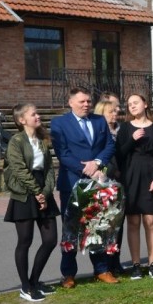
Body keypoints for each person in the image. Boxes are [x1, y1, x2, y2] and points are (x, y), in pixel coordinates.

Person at [50, 86, 118, 287]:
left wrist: (97, 163)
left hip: (97, 181)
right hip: (72, 183)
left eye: (88, 101)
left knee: (98, 225)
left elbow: (109, 145)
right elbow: (62, 153)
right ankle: (69, 274)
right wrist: (86, 169)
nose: (87, 104)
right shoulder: (59, 123)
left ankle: (102, 269)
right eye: (82, 101)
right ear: (71, 103)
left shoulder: (99, 120)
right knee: (71, 229)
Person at [3, 103, 59, 302]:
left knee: (50, 239)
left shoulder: (42, 140)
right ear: (21, 120)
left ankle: (34, 280)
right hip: (24, 195)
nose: (37, 116)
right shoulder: (16, 141)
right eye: (33, 114)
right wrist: (36, 192)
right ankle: (25, 287)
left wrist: (45, 192)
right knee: (24, 241)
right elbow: (18, 169)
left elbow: (50, 169)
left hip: (42, 191)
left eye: (37, 113)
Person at [116, 94, 153, 280]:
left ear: (145, 104)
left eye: (135, 103)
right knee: (133, 222)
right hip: (130, 177)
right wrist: (132, 139)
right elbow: (119, 154)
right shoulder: (125, 128)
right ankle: (136, 265)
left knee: (151, 221)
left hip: (151, 175)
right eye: (129, 104)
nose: (132, 106)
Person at [95, 99, 124, 274]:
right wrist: (108, 170)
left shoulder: (121, 130)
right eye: (110, 112)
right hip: (104, 181)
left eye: (116, 111)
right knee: (104, 223)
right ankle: (103, 264)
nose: (115, 115)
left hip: (121, 181)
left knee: (117, 223)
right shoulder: (99, 132)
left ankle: (116, 261)